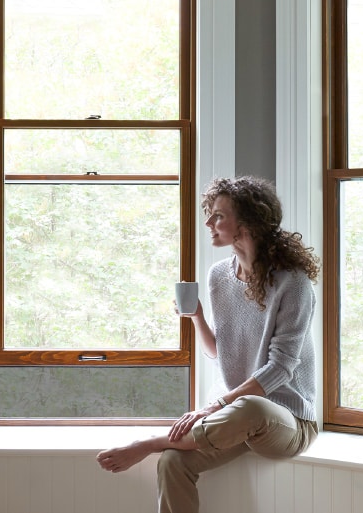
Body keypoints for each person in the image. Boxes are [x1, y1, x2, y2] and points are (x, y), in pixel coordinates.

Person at [95, 176, 321, 513]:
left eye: (218, 215)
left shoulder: (294, 283)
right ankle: (167, 447)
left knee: (252, 407)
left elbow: (281, 368)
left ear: (248, 222)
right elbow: (221, 352)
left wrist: (214, 407)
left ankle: (150, 443)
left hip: (288, 422)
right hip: (234, 418)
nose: (208, 222)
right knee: (173, 461)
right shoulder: (219, 276)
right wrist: (198, 318)